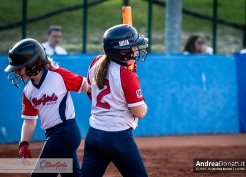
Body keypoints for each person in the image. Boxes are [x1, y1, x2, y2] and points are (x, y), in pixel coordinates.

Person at [4, 38, 89, 177]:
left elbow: (85, 85)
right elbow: (29, 121)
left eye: (19, 68)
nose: (17, 73)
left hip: (65, 132)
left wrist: (97, 99)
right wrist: (24, 143)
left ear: (33, 64)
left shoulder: (57, 75)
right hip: (54, 135)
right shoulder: (28, 91)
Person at [80, 24, 149, 177]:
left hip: (94, 135)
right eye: (133, 47)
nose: (137, 49)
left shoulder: (96, 63)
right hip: (117, 136)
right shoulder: (127, 76)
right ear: (122, 52)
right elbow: (139, 112)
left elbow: (91, 92)